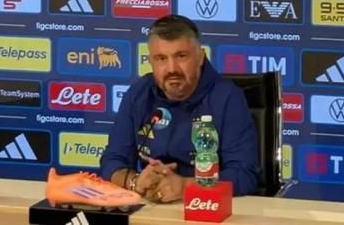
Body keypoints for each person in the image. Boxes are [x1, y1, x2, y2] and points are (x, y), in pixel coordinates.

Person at [100, 14, 260, 202]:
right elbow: (112, 160)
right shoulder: (139, 93)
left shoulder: (227, 97)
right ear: (150, 60)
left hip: (208, 208)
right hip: (151, 207)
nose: (172, 69)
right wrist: (136, 182)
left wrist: (185, 187)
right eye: (161, 58)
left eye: (181, 56)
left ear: (200, 57)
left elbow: (244, 175)